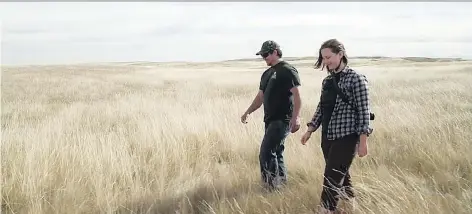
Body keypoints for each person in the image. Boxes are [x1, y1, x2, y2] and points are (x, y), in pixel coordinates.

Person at [300, 39, 374, 213]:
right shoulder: (327, 82)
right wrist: (310, 130)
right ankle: (350, 205)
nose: (326, 62)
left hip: (347, 136)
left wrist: (363, 141)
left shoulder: (356, 79)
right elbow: (322, 107)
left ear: (340, 54)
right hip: (328, 136)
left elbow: (364, 112)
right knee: (341, 174)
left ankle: (325, 210)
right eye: (323, 58)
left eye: (329, 57)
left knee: (331, 176)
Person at [241, 40, 302, 190]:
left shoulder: (288, 70)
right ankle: (281, 184)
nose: (264, 57)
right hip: (269, 120)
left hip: (282, 119)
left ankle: (271, 187)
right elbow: (260, 97)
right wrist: (248, 111)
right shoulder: (267, 74)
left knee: (266, 153)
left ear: (275, 52)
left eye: (266, 54)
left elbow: (297, 96)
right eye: (262, 55)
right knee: (277, 151)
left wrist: (296, 117)